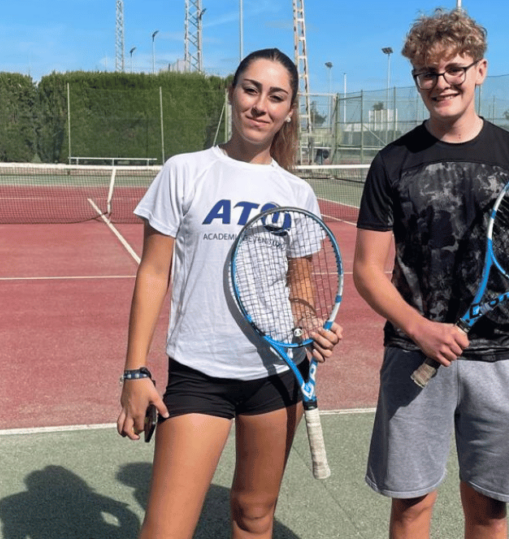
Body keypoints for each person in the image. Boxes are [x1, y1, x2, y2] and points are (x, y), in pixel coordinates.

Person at [353, 8, 509, 539]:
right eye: (428, 72)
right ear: (417, 79)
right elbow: (368, 272)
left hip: (499, 361)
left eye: (454, 69)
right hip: (412, 356)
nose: (441, 82)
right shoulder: (392, 161)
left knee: (489, 512)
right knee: (410, 509)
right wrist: (419, 327)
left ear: (480, 70)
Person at [117, 47, 343, 539]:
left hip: (279, 375)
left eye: (276, 96)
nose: (261, 105)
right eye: (252, 89)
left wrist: (308, 325)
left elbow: (300, 283)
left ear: (288, 111)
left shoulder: (296, 193)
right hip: (199, 375)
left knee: (254, 517)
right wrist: (135, 370)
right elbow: (154, 273)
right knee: (165, 530)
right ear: (232, 92)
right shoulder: (185, 170)